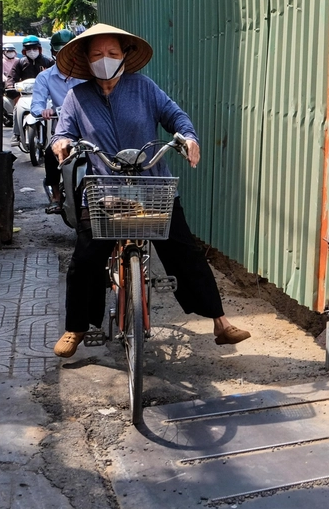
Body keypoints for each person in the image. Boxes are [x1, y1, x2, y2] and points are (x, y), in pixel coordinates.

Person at [49, 23, 250, 358]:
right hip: (104, 191)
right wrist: (63, 144)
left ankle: (220, 321)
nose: (105, 59)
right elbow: (61, 133)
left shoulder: (144, 87)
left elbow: (176, 118)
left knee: (186, 252)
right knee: (84, 260)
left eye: (112, 53)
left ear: (125, 55)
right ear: (85, 57)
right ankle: (76, 327)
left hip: (151, 188)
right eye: (97, 54)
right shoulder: (77, 97)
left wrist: (188, 138)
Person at [31, 30, 85, 213]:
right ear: (54, 54)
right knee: (49, 153)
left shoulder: (87, 75)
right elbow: (36, 106)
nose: (66, 57)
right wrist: (46, 111)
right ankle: (56, 195)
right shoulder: (45, 77)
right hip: (64, 130)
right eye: (61, 53)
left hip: (89, 128)